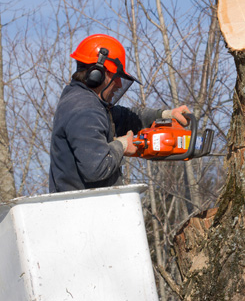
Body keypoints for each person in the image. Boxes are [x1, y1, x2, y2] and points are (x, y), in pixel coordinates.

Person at [49, 34, 190, 193]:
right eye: (115, 76)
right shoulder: (84, 110)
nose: (119, 84)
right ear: (97, 74)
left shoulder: (84, 102)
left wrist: (166, 115)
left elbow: (126, 117)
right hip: (84, 211)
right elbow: (97, 167)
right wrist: (121, 146)